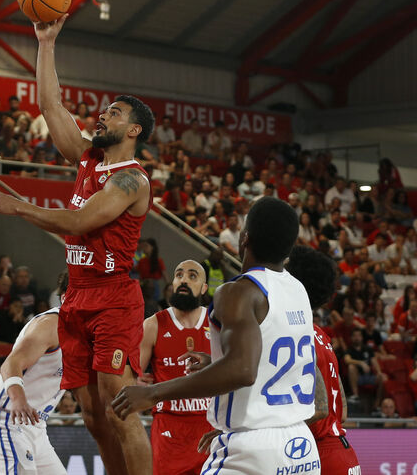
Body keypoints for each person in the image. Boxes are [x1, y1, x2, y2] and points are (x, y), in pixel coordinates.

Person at [0, 14, 155, 473]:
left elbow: (82, 219)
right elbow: (50, 105)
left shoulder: (130, 180)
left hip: (114, 297)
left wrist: (19, 207)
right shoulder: (88, 158)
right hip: (78, 296)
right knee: (95, 417)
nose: (104, 115)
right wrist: (46, 42)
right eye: (105, 111)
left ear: (135, 130)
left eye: (115, 113)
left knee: (117, 406)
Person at [113, 197, 322, 475]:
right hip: (300, 446)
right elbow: (274, 362)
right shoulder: (298, 290)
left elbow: (242, 370)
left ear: (245, 238)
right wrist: (216, 361)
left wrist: (152, 392)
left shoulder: (237, 291)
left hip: (253, 449)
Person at [285, 246, 361, 475]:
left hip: (318, 456)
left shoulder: (296, 335)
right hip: (344, 453)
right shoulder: (320, 334)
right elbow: (342, 411)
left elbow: (321, 408)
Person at [138, 260, 213, 475]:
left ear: (204, 288)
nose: (184, 280)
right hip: (169, 427)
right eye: (179, 275)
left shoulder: (218, 322)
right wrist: (136, 382)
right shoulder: (153, 325)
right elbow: (132, 378)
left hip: (211, 425)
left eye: (192, 276)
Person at [0, 304, 65, 474]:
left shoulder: (89, 331)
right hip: (8, 419)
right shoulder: (52, 323)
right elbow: (11, 363)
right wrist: (18, 400)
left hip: (37, 426)